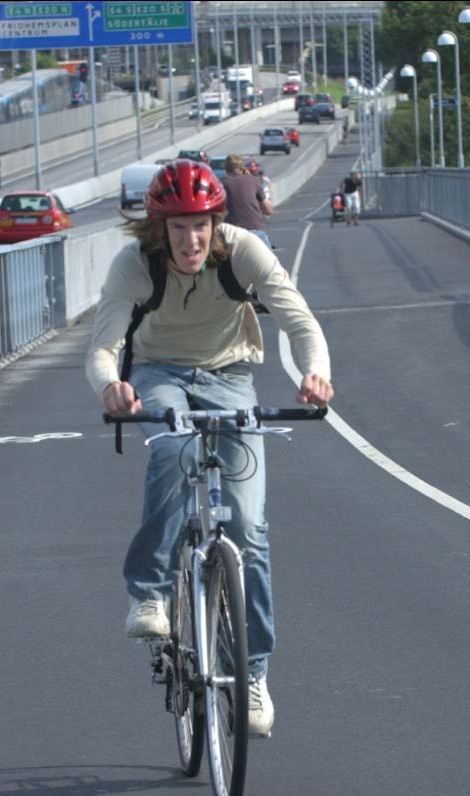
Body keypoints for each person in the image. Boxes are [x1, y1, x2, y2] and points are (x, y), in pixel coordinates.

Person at [86, 159, 333, 736]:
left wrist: (316, 374)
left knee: (248, 526)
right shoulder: (134, 266)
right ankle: (148, 594)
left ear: (216, 221)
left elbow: (301, 323)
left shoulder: (243, 250)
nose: (190, 239)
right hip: (158, 373)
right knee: (172, 449)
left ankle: (251, 677)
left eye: (200, 225)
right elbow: (104, 347)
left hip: (231, 375)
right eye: (177, 227)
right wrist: (110, 387)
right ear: (159, 228)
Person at [220, 153, 273, 249]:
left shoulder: (221, 184)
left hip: (231, 235)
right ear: (242, 168)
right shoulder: (254, 180)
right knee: (271, 263)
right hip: (255, 232)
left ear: (226, 169)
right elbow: (268, 210)